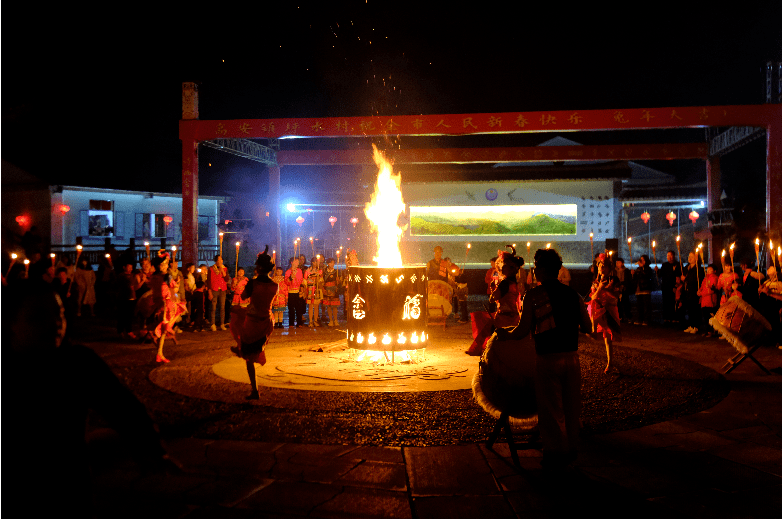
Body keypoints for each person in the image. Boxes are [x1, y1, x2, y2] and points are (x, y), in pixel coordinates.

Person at [4, 284, 175, 515]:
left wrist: (149, 447)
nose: (55, 322)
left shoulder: (77, 364)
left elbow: (121, 406)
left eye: (60, 314)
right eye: (38, 316)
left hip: (68, 481)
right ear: (10, 322)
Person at [496, 248, 591, 471]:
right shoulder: (573, 295)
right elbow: (588, 327)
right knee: (571, 407)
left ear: (543, 269)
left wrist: (505, 334)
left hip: (547, 359)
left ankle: (554, 454)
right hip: (572, 358)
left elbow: (522, 330)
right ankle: (570, 450)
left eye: (537, 267)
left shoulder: (534, 296)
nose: (535, 270)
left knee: (550, 409)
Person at [229, 247, 278, 400]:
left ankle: (255, 390)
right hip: (266, 322)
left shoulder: (252, 284)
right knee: (255, 350)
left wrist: (242, 285)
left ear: (259, 268)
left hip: (252, 322)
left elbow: (243, 297)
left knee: (249, 357)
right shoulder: (275, 286)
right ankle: (243, 351)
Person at [466, 249, 523, 356]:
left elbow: (492, 299)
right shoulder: (515, 282)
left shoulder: (505, 283)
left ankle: (480, 351)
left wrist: (493, 287)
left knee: (485, 330)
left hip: (503, 317)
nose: (501, 268)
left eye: (504, 266)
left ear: (508, 268)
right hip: (515, 317)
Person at [587, 254, 622, 373]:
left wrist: (604, 289)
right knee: (592, 308)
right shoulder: (596, 281)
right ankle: (592, 330)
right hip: (598, 309)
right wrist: (598, 288)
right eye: (600, 266)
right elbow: (593, 296)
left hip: (609, 310)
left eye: (604, 266)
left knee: (607, 339)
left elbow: (616, 295)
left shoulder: (614, 280)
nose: (601, 268)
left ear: (609, 268)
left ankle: (610, 363)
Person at [150, 253, 187, 363]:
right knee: (182, 307)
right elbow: (174, 289)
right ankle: (168, 327)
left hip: (156, 302)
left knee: (162, 331)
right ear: (159, 266)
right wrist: (177, 284)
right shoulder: (166, 276)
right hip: (166, 303)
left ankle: (159, 353)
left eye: (166, 264)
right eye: (164, 264)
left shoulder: (154, 276)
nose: (166, 266)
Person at [681, 252, 704, 333]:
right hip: (687, 292)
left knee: (695, 310)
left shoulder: (699, 269)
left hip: (694, 291)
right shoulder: (686, 267)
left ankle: (696, 326)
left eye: (692, 257)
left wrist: (686, 279)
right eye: (689, 256)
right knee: (690, 309)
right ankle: (691, 325)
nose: (689, 258)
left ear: (696, 258)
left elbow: (697, 280)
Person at [207, 255, 230, 331]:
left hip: (222, 289)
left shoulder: (225, 269)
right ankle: (212, 324)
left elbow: (226, 279)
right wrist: (209, 291)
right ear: (216, 261)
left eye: (221, 259)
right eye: (219, 259)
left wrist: (222, 270)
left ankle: (222, 324)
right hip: (214, 289)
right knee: (213, 307)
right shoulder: (211, 269)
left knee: (222, 307)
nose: (220, 261)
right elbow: (209, 281)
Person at [657, 251, 681, 323]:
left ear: (674, 256)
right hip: (665, 287)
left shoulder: (678, 264)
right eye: (668, 255)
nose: (669, 257)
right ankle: (667, 317)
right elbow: (660, 275)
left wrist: (675, 286)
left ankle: (675, 317)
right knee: (666, 302)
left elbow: (678, 275)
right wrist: (657, 271)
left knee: (673, 303)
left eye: (671, 255)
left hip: (674, 287)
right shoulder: (664, 265)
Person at [116, 261, 137, 339]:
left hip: (132, 297)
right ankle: (120, 331)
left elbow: (135, 285)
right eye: (129, 267)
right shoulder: (121, 276)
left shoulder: (133, 275)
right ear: (124, 267)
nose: (130, 269)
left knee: (130, 315)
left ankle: (129, 331)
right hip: (123, 298)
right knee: (122, 315)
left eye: (131, 267)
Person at [698, 264, 720, 337]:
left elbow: (711, 290)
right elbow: (702, 286)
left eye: (710, 269)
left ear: (714, 271)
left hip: (710, 300)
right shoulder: (706, 278)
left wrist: (701, 293)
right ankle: (707, 330)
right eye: (708, 269)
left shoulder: (714, 278)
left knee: (710, 316)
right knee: (705, 316)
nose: (708, 270)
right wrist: (699, 291)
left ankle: (711, 331)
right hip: (704, 300)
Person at [633, 254, 655, 326]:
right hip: (639, 289)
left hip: (645, 288)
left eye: (643, 260)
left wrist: (642, 268)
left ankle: (647, 320)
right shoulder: (638, 269)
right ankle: (640, 319)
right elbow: (635, 279)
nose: (641, 261)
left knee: (646, 305)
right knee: (639, 305)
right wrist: (633, 274)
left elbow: (647, 276)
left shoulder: (648, 269)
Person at [285, 257, 304, 327]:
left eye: (298, 262)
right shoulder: (288, 272)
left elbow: (301, 280)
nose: (298, 263)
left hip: (297, 291)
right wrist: (291, 277)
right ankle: (291, 323)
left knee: (298, 308)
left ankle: (299, 322)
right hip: (291, 292)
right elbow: (286, 282)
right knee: (291, 308)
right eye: (296, 261)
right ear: (292, 262)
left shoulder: (299, 271)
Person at [322, 258, 341, 326]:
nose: (332, 264)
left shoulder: (336, 272)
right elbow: (322, 281)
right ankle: (331, 320)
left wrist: (338, 281)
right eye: (331, 263)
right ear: (328, 263)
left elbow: (339, 282)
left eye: (333, 263)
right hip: (327, 290)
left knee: (334, 306)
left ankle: (335, 320)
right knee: (328, 306)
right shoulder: (324, 272)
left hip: (334, 290)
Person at [305, 257, 324, 327]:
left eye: (318, 262)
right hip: (310, 288)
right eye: (316, 262)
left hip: (317, 289)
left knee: (316, 306)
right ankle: (310, 321)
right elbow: (305, 280)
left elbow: (321, 281)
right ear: (313, 262)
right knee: (310, 306)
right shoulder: (308, 270)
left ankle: (315, 320)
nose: (317, 263)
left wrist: (319, 279)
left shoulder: (319, 271)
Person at [614, 258, 632, 322]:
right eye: (616, 262)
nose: (617, 264)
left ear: (622, 263)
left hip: (624, 288)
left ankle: (628, 317)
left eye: (619, 262)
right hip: (616, 289)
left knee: (626, 303)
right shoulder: (614, 271)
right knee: (618, 303)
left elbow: (628, 280)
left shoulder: (626, 271)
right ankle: (620, 316)